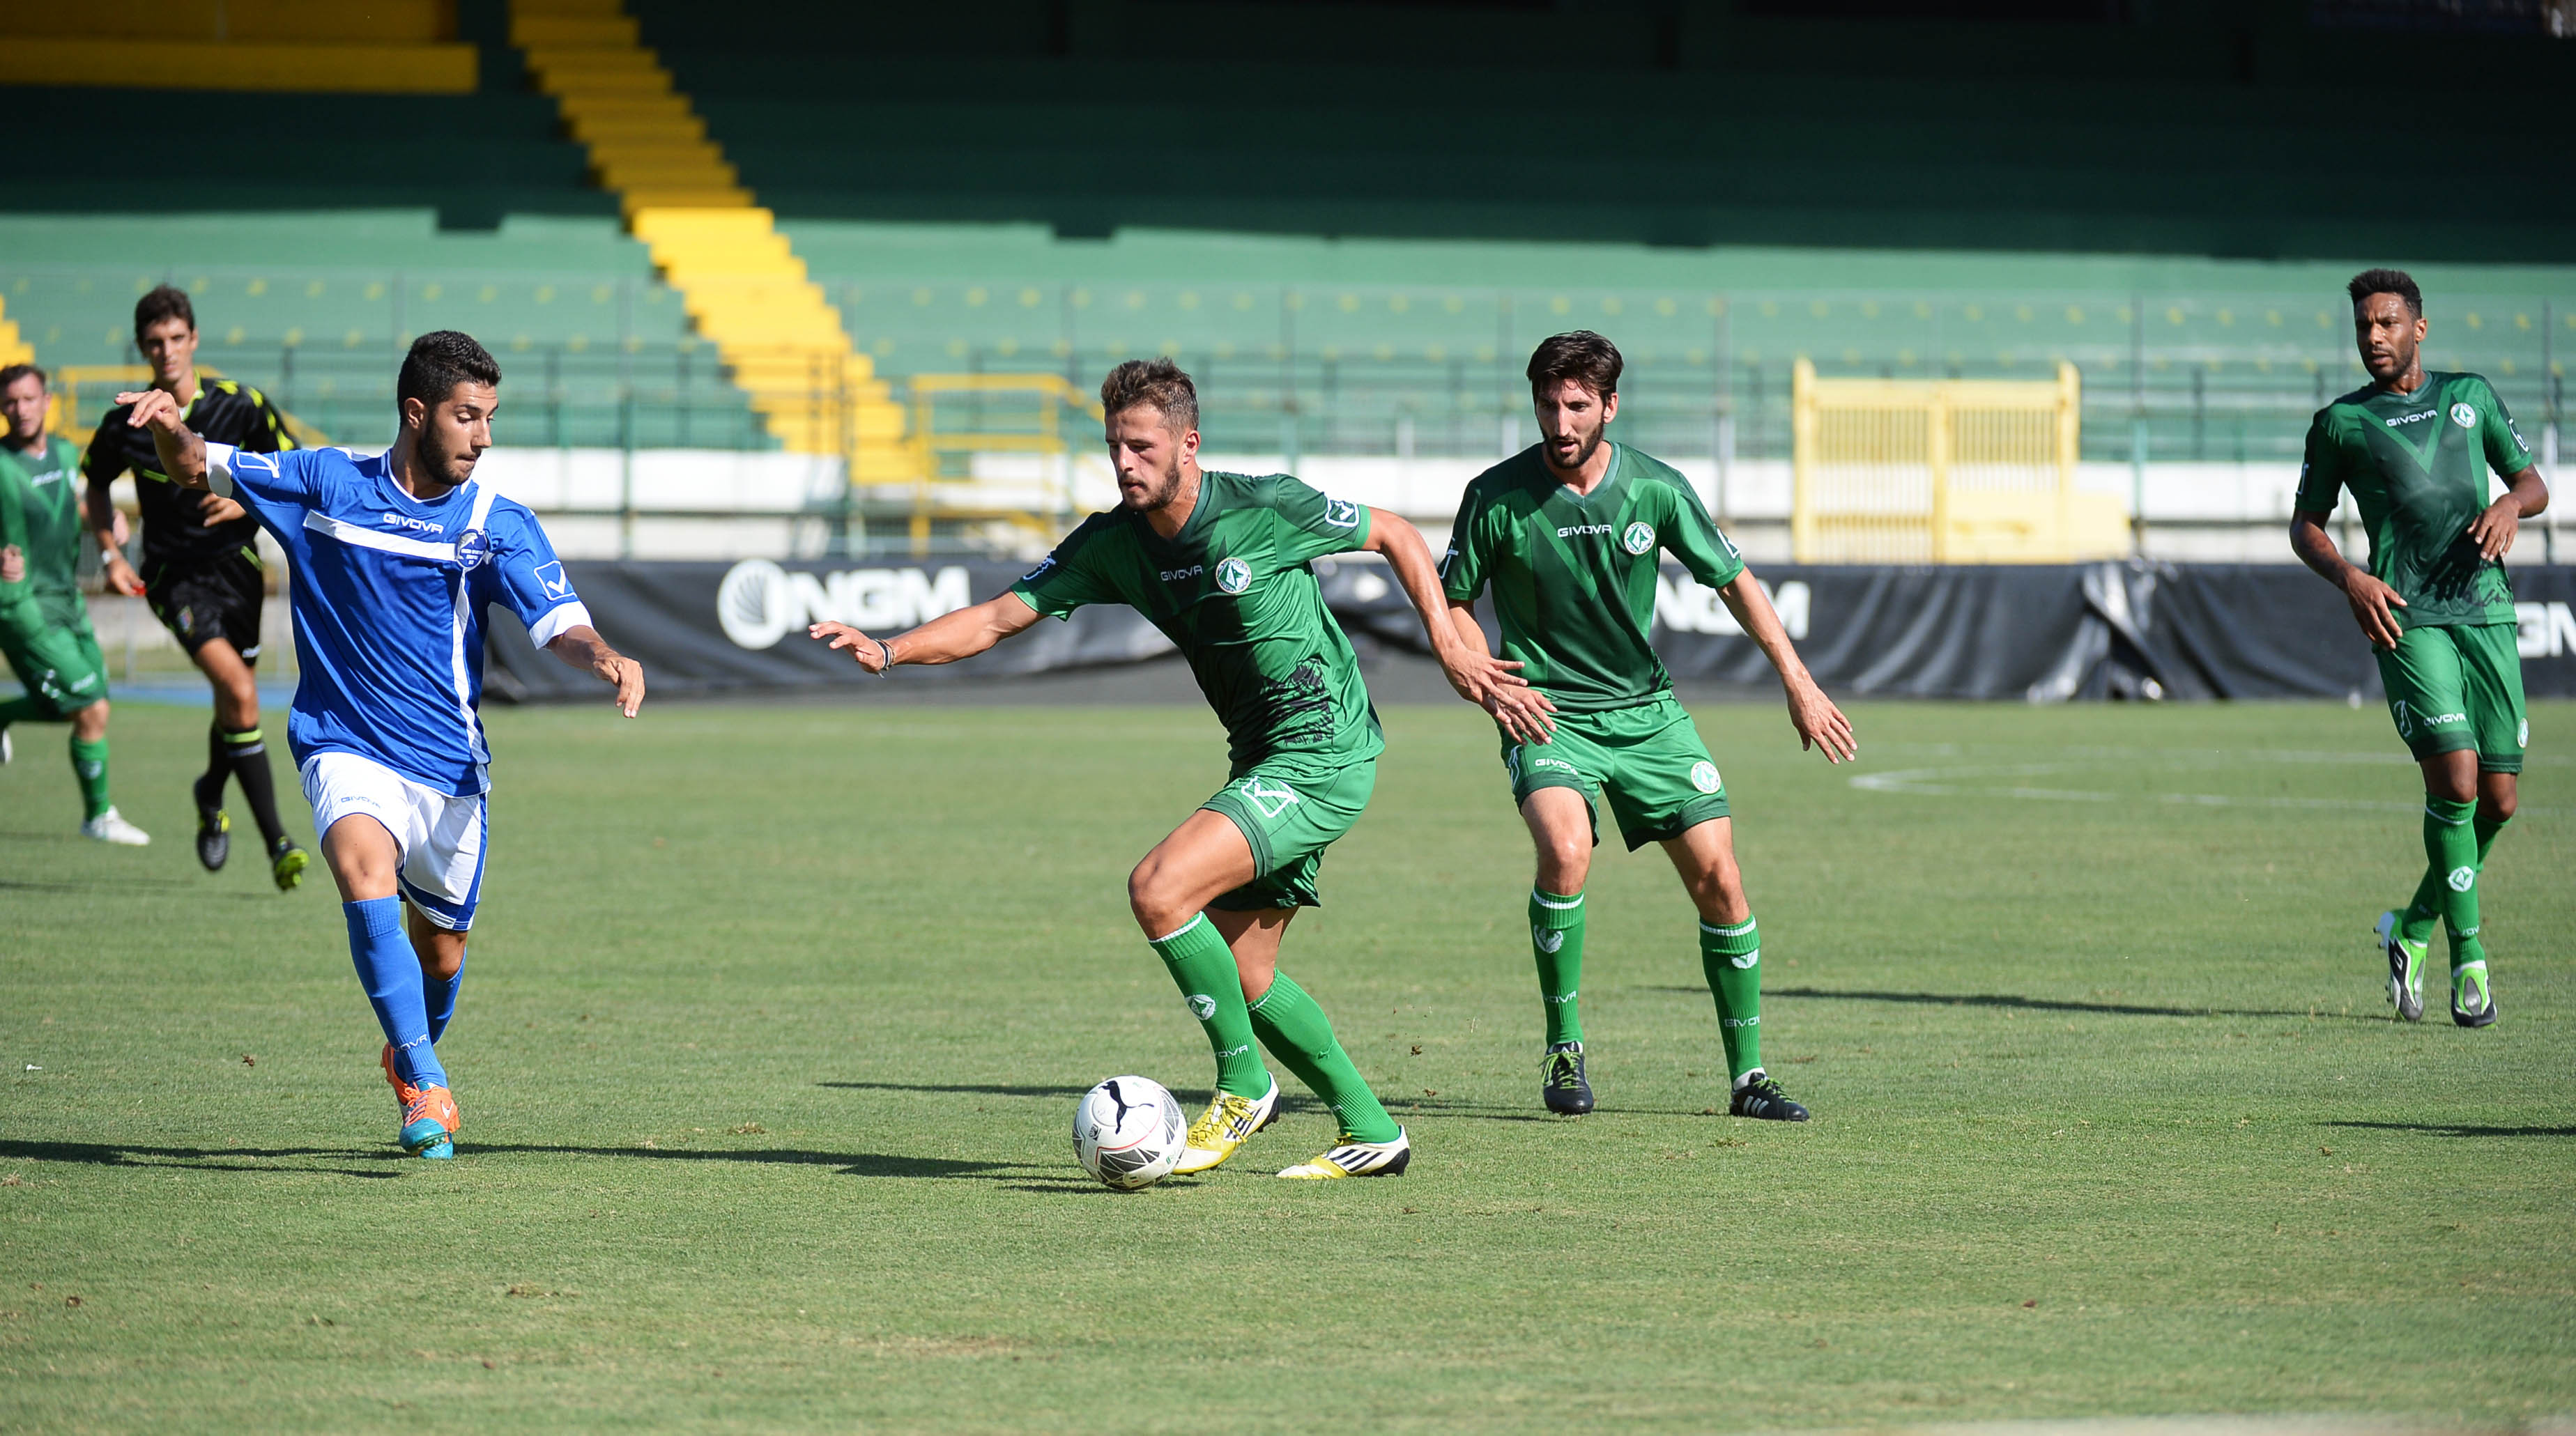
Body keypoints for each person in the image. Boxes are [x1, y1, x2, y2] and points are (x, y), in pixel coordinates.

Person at [808, 358, 1529, 1179]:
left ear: (1189, 444)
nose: (1125, 463)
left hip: (1323, 748)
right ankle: (1373, 1129)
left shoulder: (1263, 504)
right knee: (1246, 973)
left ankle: (1242, 1085)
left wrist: (1445, 640)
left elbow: (1395, 532)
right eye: (1115, 446)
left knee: (1159, 889)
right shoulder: (1113, 542)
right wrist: (891, 650)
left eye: (1142, 447)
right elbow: (998, 618)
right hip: (1263, 756)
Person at [116, 330, 645, 1159]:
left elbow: (559, 621)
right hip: (344, 742)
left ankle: (410, 1048)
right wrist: (166, 428)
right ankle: (426, 1080)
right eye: (467, 417)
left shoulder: (492, 523)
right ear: (416, 411)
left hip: (449, 769)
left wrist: (605, 655)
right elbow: (198, 463)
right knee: (362, 875)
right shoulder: (324, 482)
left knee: (442, 950)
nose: (483, 436)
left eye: (490, 418)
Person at [1440, 332, 1853, 1119]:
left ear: (1610, 406)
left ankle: (1749, 1079)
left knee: (1722, 882)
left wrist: (1797, 682)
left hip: (1649, 717)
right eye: (1546, 405)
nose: (1559, 423)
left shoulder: (1656, 490)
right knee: (1564, 850)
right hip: (1548, 712)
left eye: (1577, 406)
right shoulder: (1493, 496)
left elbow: (1733, 581)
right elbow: (1452, 598)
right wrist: (1485, 679)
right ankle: (1565, 1050)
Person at [2290, 269, 2549, 1028]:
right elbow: (2304, 524)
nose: (2374, 337)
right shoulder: (2340, 423)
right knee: (2459, 783)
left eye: (2388, 323)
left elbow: (2532, 484)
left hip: (2488, 613)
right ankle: (2471, 963)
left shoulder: (2471, 397)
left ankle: (2411, 929)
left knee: (2499, 801)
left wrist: (2509, 502)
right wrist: (2349, 577)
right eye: (2365, 326)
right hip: (2407, 615)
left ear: (2419, 329)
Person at [84, 284, 307, 887]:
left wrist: (248, 509)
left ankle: (210, 793)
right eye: (154, 342)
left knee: (238, 702)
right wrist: (110, 552)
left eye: (176, 338)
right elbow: (96, 486)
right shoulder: (125, 423)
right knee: (237, 688)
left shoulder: (242, 406)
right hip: (172, 579)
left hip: (239, 572)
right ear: (142, 347)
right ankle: (278, 841)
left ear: (194, 340)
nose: (167, 351)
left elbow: (298, 473)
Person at [0, 363, 147, 842]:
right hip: (22, 605)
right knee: (88, 703)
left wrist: (107, 523)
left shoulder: (64, 451)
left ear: (47, 402)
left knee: (93, 698)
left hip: (67, 598)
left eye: (28, 399)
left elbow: (74, 506)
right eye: (10, 402)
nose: (19, 409)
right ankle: (98, 816)